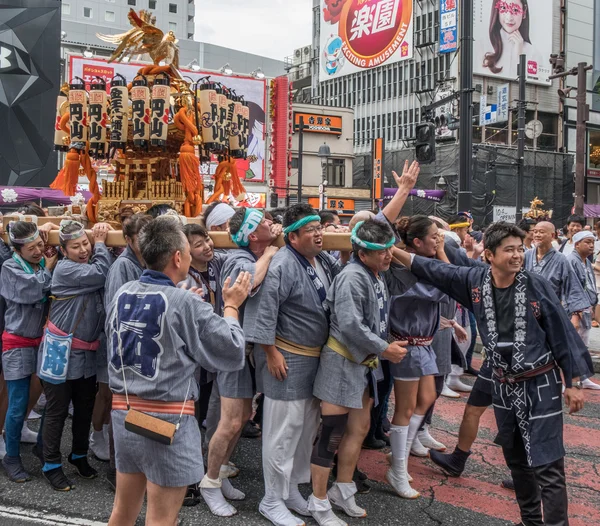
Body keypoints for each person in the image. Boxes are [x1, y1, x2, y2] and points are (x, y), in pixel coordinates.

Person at [394, 221, 590, 526]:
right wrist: (386, 248)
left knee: (548, 465)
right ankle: (530, 521)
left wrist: (573, 382)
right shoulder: (474, 281)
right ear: (489, 255)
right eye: (508, 250)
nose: (516, 255)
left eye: (519, 249)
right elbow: (431, 269)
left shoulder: (535, 285)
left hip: (540, 383)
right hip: (503, 385)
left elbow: (561, 331)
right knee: (517, 462)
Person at [245, 204, 342, 526]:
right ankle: (271, 499)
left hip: (317, 357)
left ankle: (289, 490)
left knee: (304, 432)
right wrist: (270, 352)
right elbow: (264, 311)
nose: (319, 234)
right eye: (312, 230)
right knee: (282, 432)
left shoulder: (323, 260)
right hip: (287, 357)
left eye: (319, 227)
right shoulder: (283, 263)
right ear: (293, 236)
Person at [309, 219, 409, 525]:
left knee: (359, 429)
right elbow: (351, 325)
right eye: (381, 252)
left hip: (362, 364)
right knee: (332, 435)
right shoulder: (353, 276)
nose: (388, 256)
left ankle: (343, 488)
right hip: (342, 362)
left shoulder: (376, 274)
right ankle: (319, 501)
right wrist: (384, 348)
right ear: (361, 253)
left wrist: (383, 346)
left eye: (390, 250)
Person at [200, 208, 281, 517]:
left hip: (242, 351)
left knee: (243, 415)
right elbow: (245, 288)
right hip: (232, 347)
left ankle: (218, 475)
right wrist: (271, 254)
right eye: (264, 223)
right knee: (231, 420)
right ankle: (209, 482)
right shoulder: (239, 259)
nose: (270, 224)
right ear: (252, 236)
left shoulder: (249, 254)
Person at [383, 215, 453, 500]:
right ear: (416, 242)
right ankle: (397, 467)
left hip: (423, 344)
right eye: (435, 236)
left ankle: (398, 456)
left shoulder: (426, 264)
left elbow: (451, 278)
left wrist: (440, 251)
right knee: (405, 408)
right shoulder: (402, 270)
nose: (439, 240)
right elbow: (448, 283)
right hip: (407, 344)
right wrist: (441, 255)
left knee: (426, 399)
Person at [40, 221, 113, 491]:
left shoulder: (84, 264)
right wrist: (103, 243)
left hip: (86, 354)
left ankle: (79, 455)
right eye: (75, 246)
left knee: (83, 408)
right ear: (64, 250)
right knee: (57, 411)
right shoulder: (67, 269)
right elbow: (103, 273)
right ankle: (50, 464)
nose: (83, 249)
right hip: (60, 352)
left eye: (86, 243)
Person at [95, 213, 152, 488]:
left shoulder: (148, 262)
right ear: (128, 240)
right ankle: (116, 471)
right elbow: (116, 313)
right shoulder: (122, 266)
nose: (147, 242)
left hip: (142, 344)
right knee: (122, 407)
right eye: (141, 237)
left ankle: (132, 468)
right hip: (125, 346)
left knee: (137, 407)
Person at [0, 222, 57, 482]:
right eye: (31, 248)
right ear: (17, 250)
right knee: (17, 404)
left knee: (55, 397)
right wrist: (48, 267)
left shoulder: (39, 262)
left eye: (39, 245)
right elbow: (32, 291)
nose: (38, 251)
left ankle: (42, 447)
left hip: (42, 339)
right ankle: (11, 457)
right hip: (17, 340)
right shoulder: (9, 267)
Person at [567, 231, 600, 390]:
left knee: (583, 345)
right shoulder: (571, 261)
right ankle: (569, 380)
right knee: (572, 346)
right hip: (577, 310)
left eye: (593, 242)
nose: (591, 245)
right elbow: (572, 288)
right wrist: (577, 311)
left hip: (586, 307)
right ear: (577, 243)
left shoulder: (586, 261)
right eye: (587, 242)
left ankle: (583, 377)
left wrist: (592, 306)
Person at [478, 0, 544, 80]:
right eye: (503, 8)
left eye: (515, 10)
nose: (509, 17)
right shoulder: (483, 44)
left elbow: (530, 86)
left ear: (524, 12)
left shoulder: (533, 53)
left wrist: (518, 54)